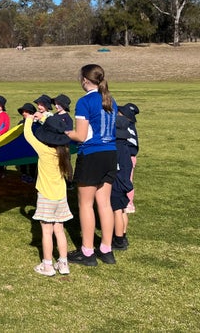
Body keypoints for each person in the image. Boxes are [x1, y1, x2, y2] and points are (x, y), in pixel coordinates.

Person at [65, 64, 119, 266]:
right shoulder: (110, 99)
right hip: (110, 154)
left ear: (84, 80)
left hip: (92, 155)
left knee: (85, 204)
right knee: (104, 204)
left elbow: (80, 135)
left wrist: (64, 133)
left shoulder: (84, 101)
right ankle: (106, 249)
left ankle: (87, 252)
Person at [22, 110, 73, 276]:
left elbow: (28, 135)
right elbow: (56, 127)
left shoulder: (43, 150)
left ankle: (47, 265)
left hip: (46, 196)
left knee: (46, 232)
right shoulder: (64, 150)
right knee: (59, 230)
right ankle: (63, 264)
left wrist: (29, 119)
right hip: (61, 197)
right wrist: (43, 118)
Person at [110, 107, 135, 251]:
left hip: (117, 184)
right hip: (124, 182)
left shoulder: (116, 147)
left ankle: (118, 240)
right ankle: (123, 235)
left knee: (117, 211)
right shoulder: (126, 146)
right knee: (123, 210)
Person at [119, 103, 140, 214]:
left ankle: (129, 204)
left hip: (128, 157)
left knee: (127, 181)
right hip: (127, 156)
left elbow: (132, 146)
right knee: (124, 180)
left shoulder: (128, 127)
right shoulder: (128, 125)